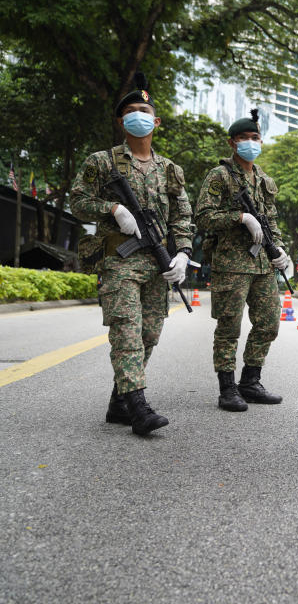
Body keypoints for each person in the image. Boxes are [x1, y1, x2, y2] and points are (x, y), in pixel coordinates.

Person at [70, 72, 193, 436]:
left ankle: (118, 402)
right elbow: (77, 201)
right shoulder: (101, 162)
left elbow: (183, 214)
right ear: (121, 121)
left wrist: (183, 253)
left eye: (144, 110)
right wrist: (112, 210)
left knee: (149, 333)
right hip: (119, 260)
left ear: (155, 121)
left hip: (158, 262)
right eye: (130, 111)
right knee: (126, 330)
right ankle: (138, 406)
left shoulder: (170, 169)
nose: (137, 116)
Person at [195, 109, 289, 411]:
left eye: (255, 138)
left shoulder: (264, 179)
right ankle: (227, 388)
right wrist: (241, 217)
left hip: (262, 264)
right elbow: (204, 217)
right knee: (229, 326)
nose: (251, 142)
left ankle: (250, 380)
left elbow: (271, 220)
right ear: (232, 143)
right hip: (231, 264)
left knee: (269, 322)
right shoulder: (219, 175)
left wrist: (281, 249)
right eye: (244, 138)